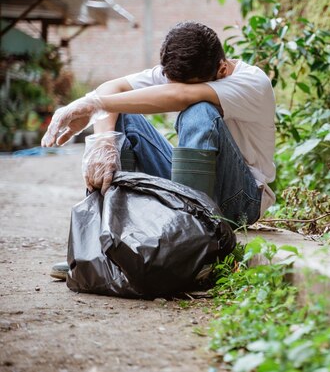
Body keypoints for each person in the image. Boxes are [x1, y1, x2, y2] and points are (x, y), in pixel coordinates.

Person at [43, 21, 276, 280]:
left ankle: (194, 253)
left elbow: (180, 96)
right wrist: (104, 140)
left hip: (241, 199)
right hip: (193, 191)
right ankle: (114, 249)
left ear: (221, 69)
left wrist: (91, 104)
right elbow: (112, 88)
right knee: (121, 118)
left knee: (199, 111)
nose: (172, 86)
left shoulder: (252, 82)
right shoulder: (182, 70)